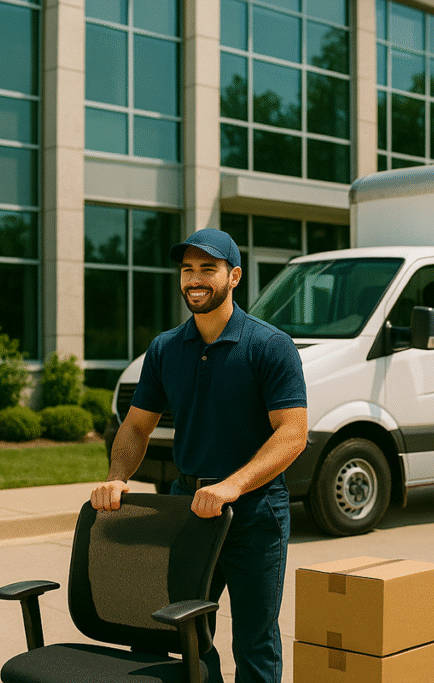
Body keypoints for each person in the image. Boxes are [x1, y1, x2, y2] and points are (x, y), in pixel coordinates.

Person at [91, 228, 308, 683]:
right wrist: (117, 475)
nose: (194, 279)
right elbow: (135, 426)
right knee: (185, 636)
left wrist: (233, 485)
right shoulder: (166, 348)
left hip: (254, 513)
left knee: (254, 639)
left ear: (234, 277)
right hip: (187, 510)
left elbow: (292, 434)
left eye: (208, 269)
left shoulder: (268, 345)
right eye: (187, 269)